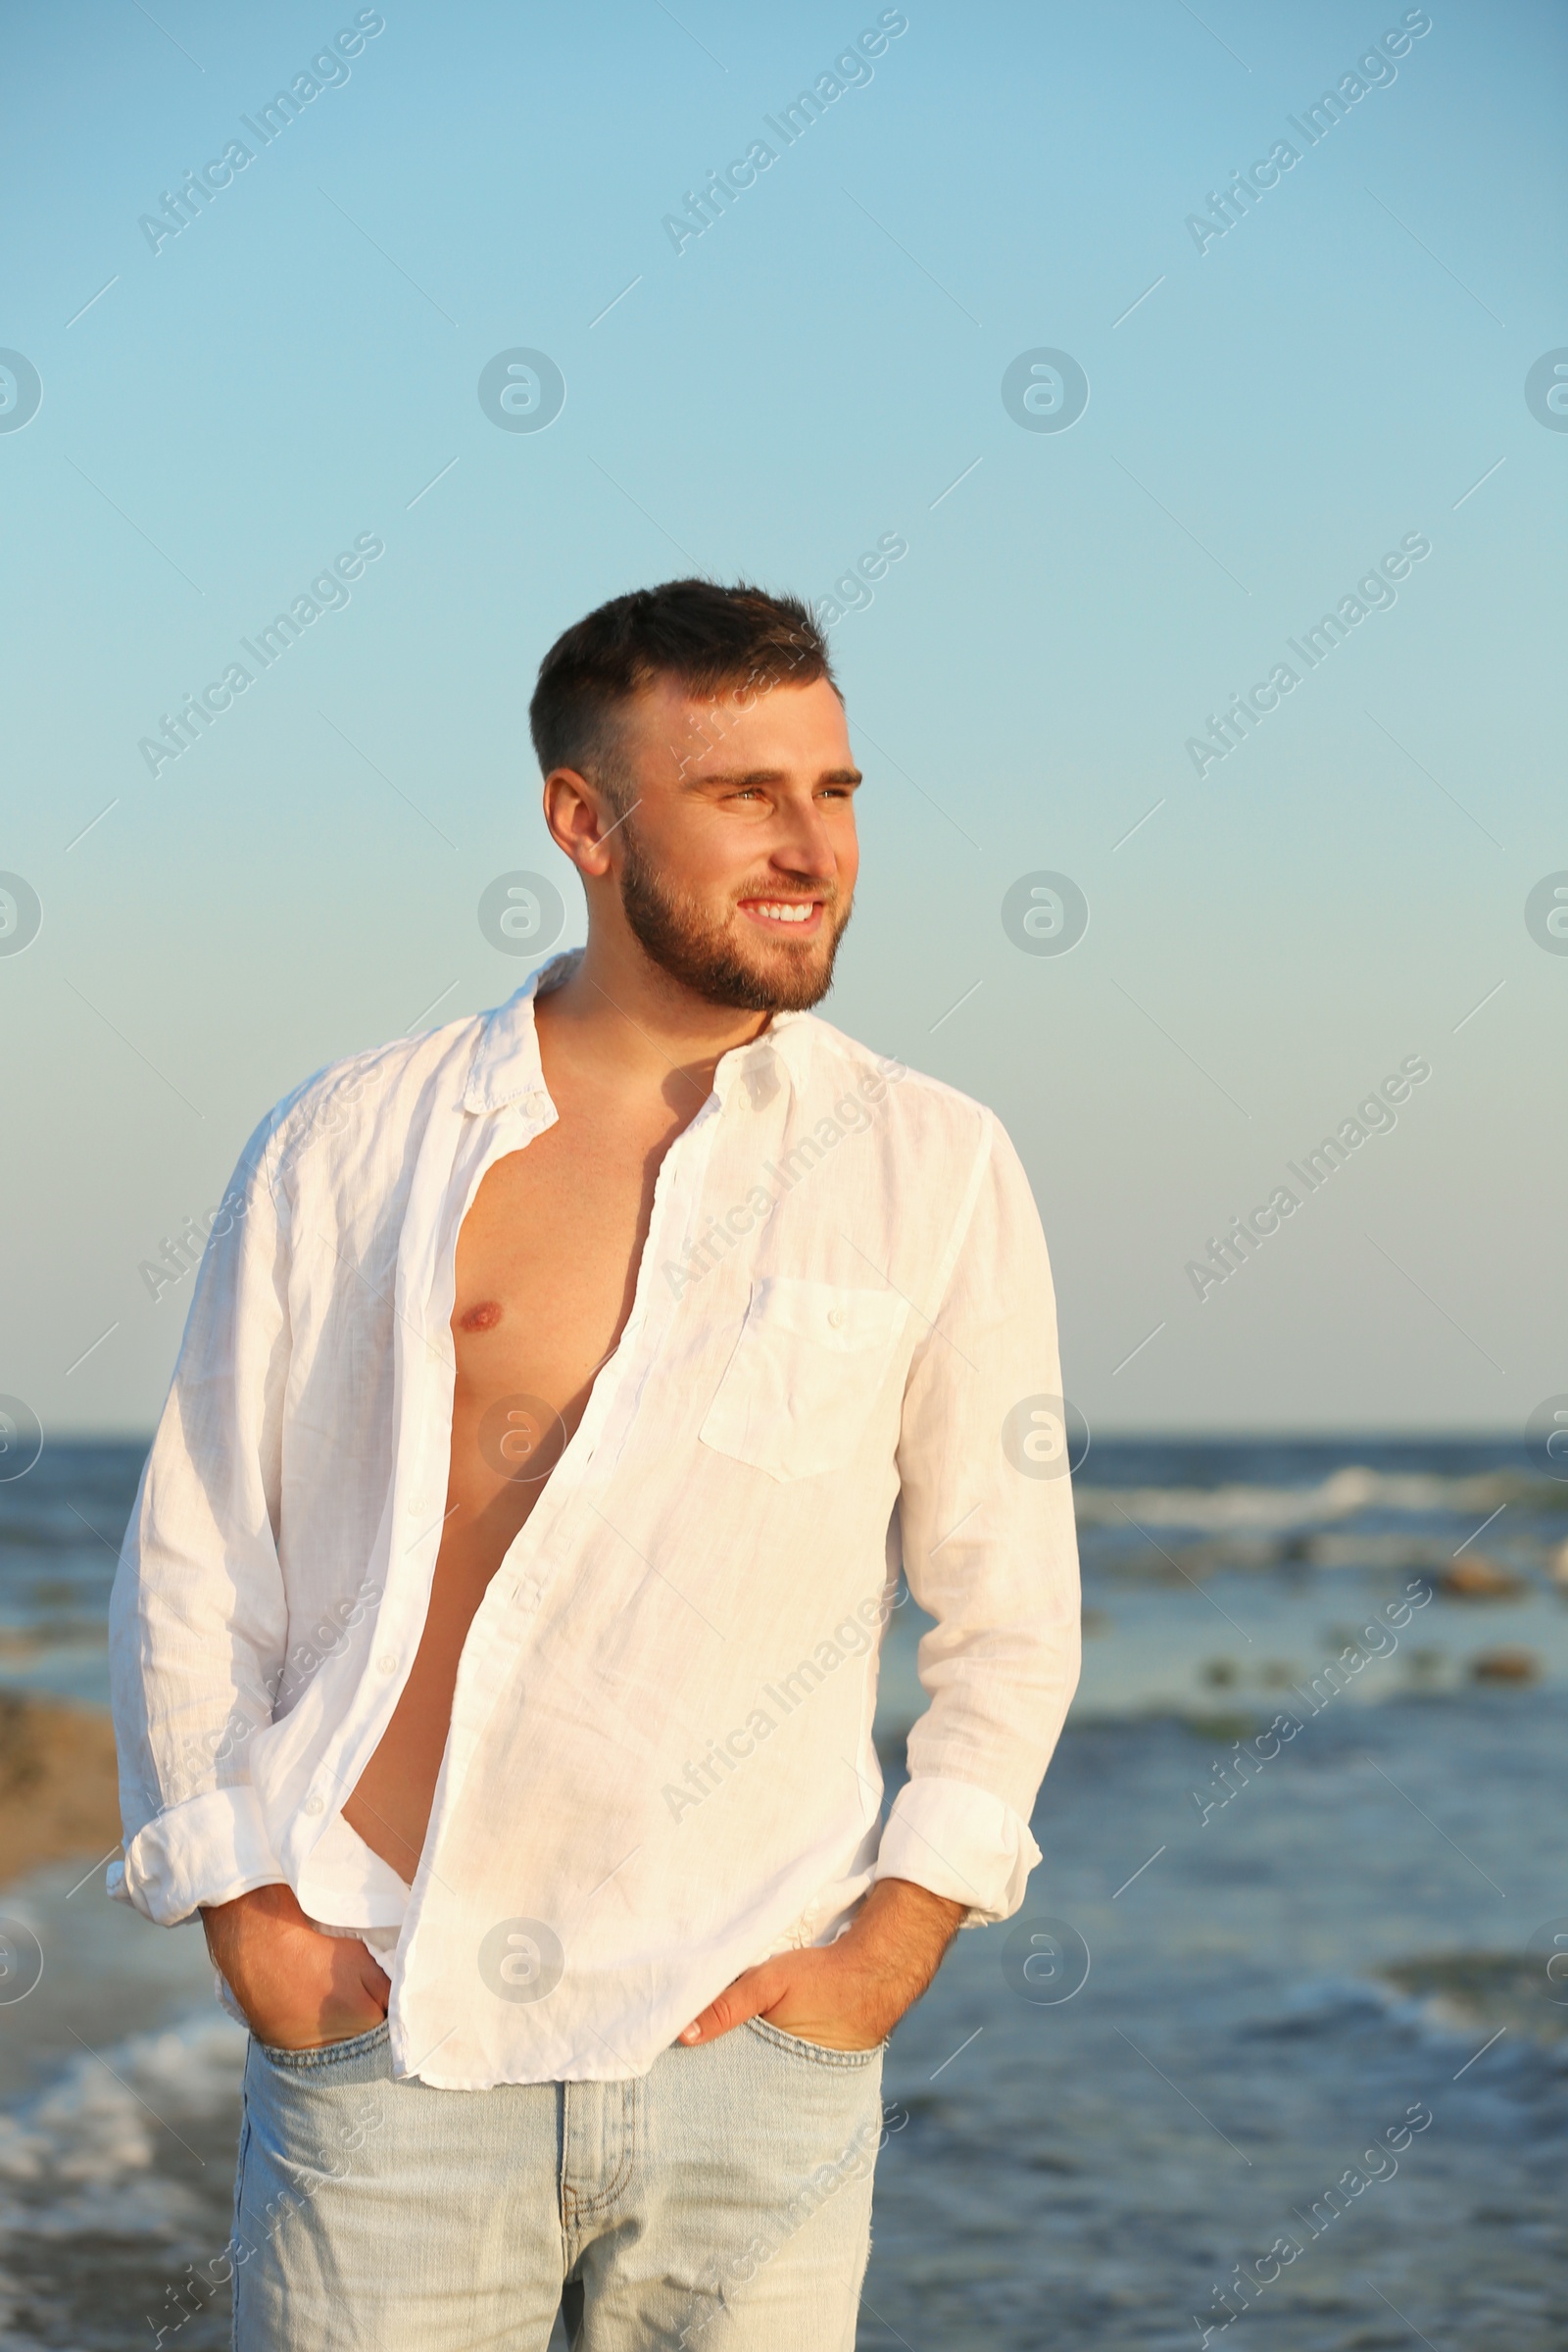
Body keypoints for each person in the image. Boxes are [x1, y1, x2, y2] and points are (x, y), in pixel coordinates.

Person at [109, 579, 1081, 2350]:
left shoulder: (932, 1164)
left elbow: (1011, 1614)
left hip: (756, 2054)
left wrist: (883, 1959)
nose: (811, 848)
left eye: (838, 792)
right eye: (744, 796)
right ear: (583, 819)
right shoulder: (356, 1143)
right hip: (393, 2028)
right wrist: (249, 1913)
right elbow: (196, 1557)